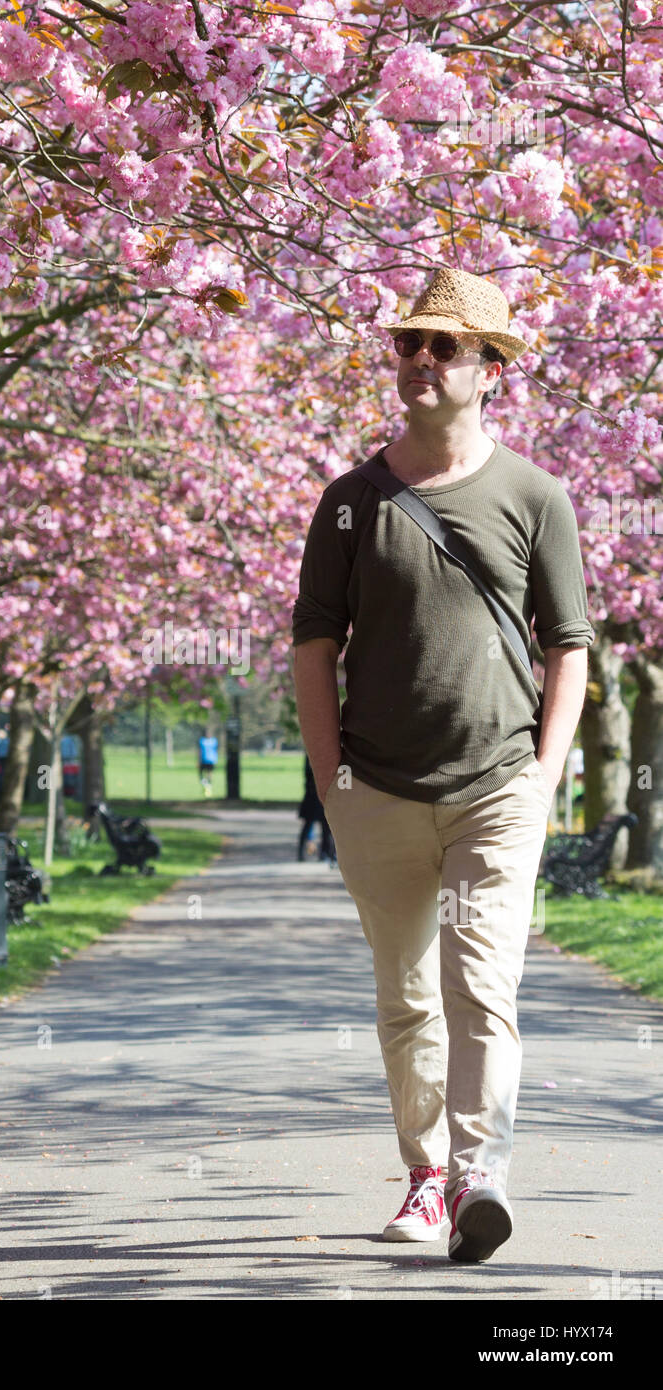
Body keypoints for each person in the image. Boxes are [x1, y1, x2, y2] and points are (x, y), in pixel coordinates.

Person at [291, 266, 593, 1263]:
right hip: (374, 792)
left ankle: (478, 1179)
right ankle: (424, 1174)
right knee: (407, 996)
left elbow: (569, 646)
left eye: (445, 346)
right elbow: (313, 650)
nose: (419, 360)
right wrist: (332, 780)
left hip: (497, 791)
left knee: (480, 987)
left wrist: (546, 774)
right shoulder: (349, 502)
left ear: (491, 369)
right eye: (407, 343)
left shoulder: (535, 497)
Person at [297, 755, 337, 864]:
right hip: (313, 795)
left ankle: (326, 852)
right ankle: (302, 852)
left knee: (326, 826)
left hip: (320, 795)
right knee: (310, 825)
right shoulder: (310, 756)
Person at [198, 733, 218, 797]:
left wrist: (198, 761)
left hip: (206, 760)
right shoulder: (214, 741)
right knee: (208, 774)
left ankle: (207, 786)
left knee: (203, 774)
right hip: (209, 760)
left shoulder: (202, 741)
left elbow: (200, 751)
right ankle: (208, 786)